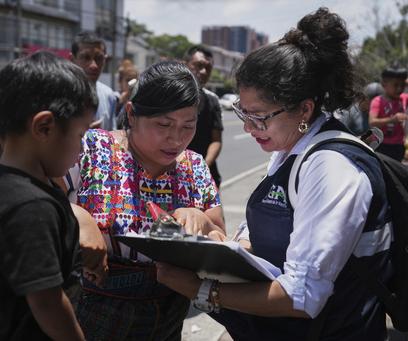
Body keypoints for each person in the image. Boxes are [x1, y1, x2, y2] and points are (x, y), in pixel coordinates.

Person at [156, 7, 393, 340]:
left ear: (305, 110)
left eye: (260, 117)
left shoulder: (331, 168)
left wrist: (202, 289)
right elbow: (273, 239)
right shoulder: (289, 152)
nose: (248, 128)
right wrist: (217, 240)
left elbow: (303, 295)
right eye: (243, 111)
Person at [63, 60, 225, 340]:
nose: (176, 139)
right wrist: (77, 216)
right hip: (86, 317)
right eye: (164, 124)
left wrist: (203, 223)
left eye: (188, 126)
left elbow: (221, 242)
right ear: (132, 114)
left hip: (166, 321)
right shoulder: (90, 149)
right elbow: (33, 196)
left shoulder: (195, 167)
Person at [0, 51, 99, 340]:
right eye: (80, 136)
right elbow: (48, 304)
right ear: (44, 127)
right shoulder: (27, 205)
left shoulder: (13, 183)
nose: (81, 150)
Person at [369, 62, 408, 161]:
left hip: (399, 146)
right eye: (395, 85)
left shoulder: (404, 98)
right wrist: (392, 119)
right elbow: (372, 122)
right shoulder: (378, 101)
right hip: (381, 146)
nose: (399, 89)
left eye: (402, 85)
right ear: (384, 85)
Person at [184, 45, 224, 187]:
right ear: (185, 65)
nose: (203, 71)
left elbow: (216, 140)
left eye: (208, 68)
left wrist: (201, 167)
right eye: (198, 65)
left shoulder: (212, 100)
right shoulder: (168, 98)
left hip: (205, 177)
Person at [70, 30, 117, 131]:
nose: (93, 65)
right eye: (86, 57)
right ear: (72, 60)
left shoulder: (108, 95)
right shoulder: (62, 93)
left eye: (98, 58)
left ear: (105, 61)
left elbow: (112, 136)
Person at [115, 59, 138, 128]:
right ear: (120, 81)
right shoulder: (115, 97)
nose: (131, 84)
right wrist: (122, 103)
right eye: (128, 80)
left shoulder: (137, 99)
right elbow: (115, 122)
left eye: (134, 80)